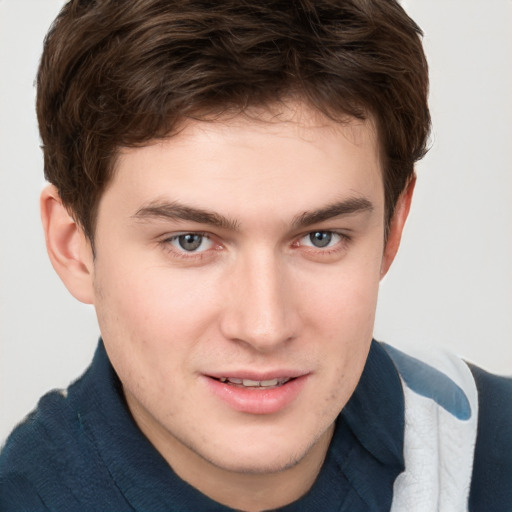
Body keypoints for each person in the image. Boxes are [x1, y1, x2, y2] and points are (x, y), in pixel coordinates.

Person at [0, 0, 510, 510]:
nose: (265, 327)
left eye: (320, 238)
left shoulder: (493, 449)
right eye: (190, 241)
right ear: (75, 248)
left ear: (392, 229)